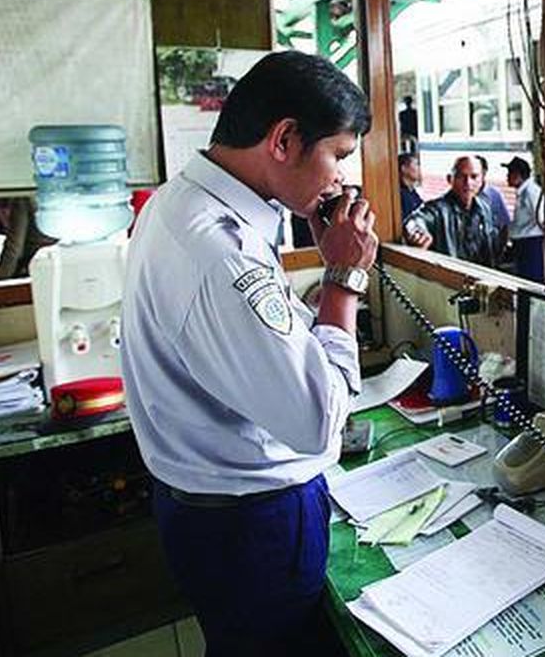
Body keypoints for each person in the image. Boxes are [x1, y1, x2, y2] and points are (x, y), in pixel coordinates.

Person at [121, 51, 377, 656]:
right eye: (338, 156)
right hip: (253, 523)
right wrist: (343, 280)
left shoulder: (176, 203)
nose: (342, 180)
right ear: (284, 139)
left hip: (202, 509)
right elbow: (317, 422)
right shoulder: (225, 254)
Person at [403, 155, 501, 266]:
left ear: (482, 181)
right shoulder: (438, 209)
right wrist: (416, 232)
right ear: (450, 179)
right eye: (461, 176)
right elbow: (416, 219)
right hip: (452, 277)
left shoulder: (485, 208)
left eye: (474, 177)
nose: (468, 183)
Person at [504, 156, 544, 282]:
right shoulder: (524, 192)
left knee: (532, 282)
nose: (507, 177)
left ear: (518, 175)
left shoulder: (531, 192)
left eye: (509, 173)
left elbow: (541, 218)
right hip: (523, 244)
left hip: (531, 244)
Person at [475, 154, 510, 246]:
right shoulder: (461, 194)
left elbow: (504, 225)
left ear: (484, 172)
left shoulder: (494, 195)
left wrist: (501, 248)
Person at [399, 152, 423, 220]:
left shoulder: (412, 192)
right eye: (416, 164)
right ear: (404, 168)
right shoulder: (400, 194)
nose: (419, 169)